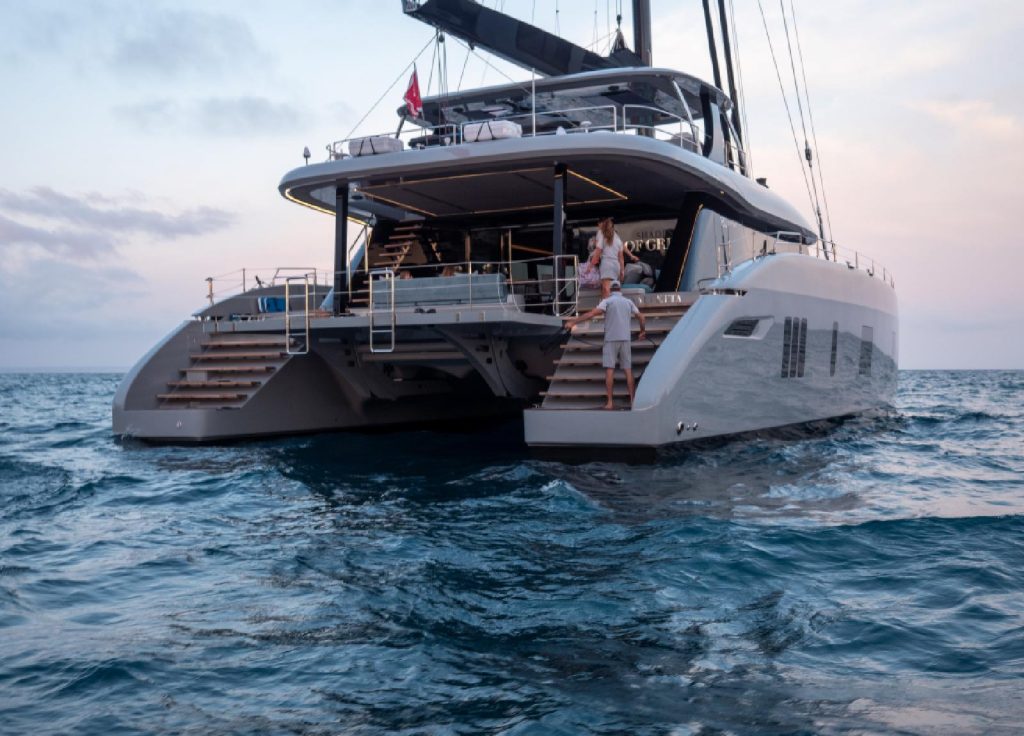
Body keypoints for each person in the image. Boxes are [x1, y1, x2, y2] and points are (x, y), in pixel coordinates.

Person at [564, 280, 646, 410]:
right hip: (625, 339)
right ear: (620, 289)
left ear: (611, 290)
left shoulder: (607, 301)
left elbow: (591, 314)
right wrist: (642, 331)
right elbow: (642, 317)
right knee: (628, 370)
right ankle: (632, 401)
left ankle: (610, 402)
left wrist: (573, 322)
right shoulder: (628, 302)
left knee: (609, 370)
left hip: (611, 339)